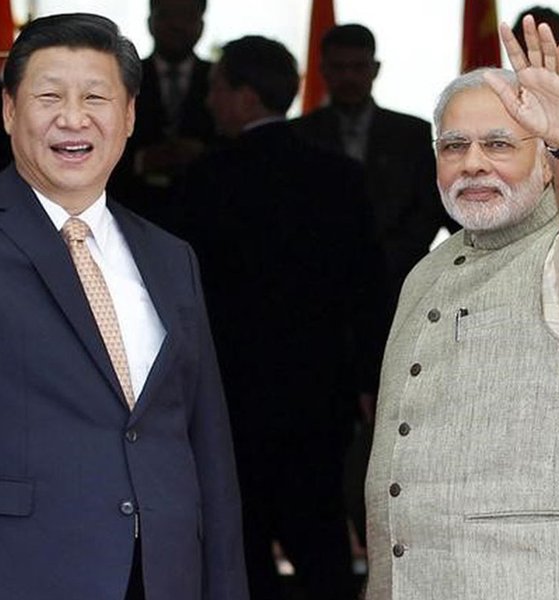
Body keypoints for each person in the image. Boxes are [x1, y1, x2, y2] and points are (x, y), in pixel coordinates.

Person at [0, 13, 246, 600]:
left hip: (161, 574)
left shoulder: (169, 255)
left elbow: (207, 441)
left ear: (129, 116)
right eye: (49, 96)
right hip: (10, 570)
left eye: (96, 97)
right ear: (9, 111)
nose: (73, 118)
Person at [364, 15, 559, 599]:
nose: (472, 163)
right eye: (454, 146)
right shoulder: (427, 272)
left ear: (545, 163)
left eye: (498, 144)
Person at [178, 35, 387, 600]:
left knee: (242, 544)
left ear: (246, 97)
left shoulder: (205, 179)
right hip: (319, 394)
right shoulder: (338, 175)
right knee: (321, 543)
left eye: (218, 88)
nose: (210, 101)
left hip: (231, 396)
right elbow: (367, 288)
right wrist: (369, 379)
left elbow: (184, 300)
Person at [293, 24, 452, 303]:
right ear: (323, 71)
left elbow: (429, 206)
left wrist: (393, 257)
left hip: (400, 284)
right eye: (339, 68)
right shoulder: (299, 134)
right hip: (317, 284)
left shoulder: (410, 133)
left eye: (358, 67)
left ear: (375, 69)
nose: (348, 77)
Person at [107, 0, 215, 229]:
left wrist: (202, 156)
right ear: (150, 22)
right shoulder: (120, 78)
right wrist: (141, 160)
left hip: (206, 215)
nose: (177, 25)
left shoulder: (220, 80)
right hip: (131, 211)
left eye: (187, 16)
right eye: (167, 16)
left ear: (201, 25)